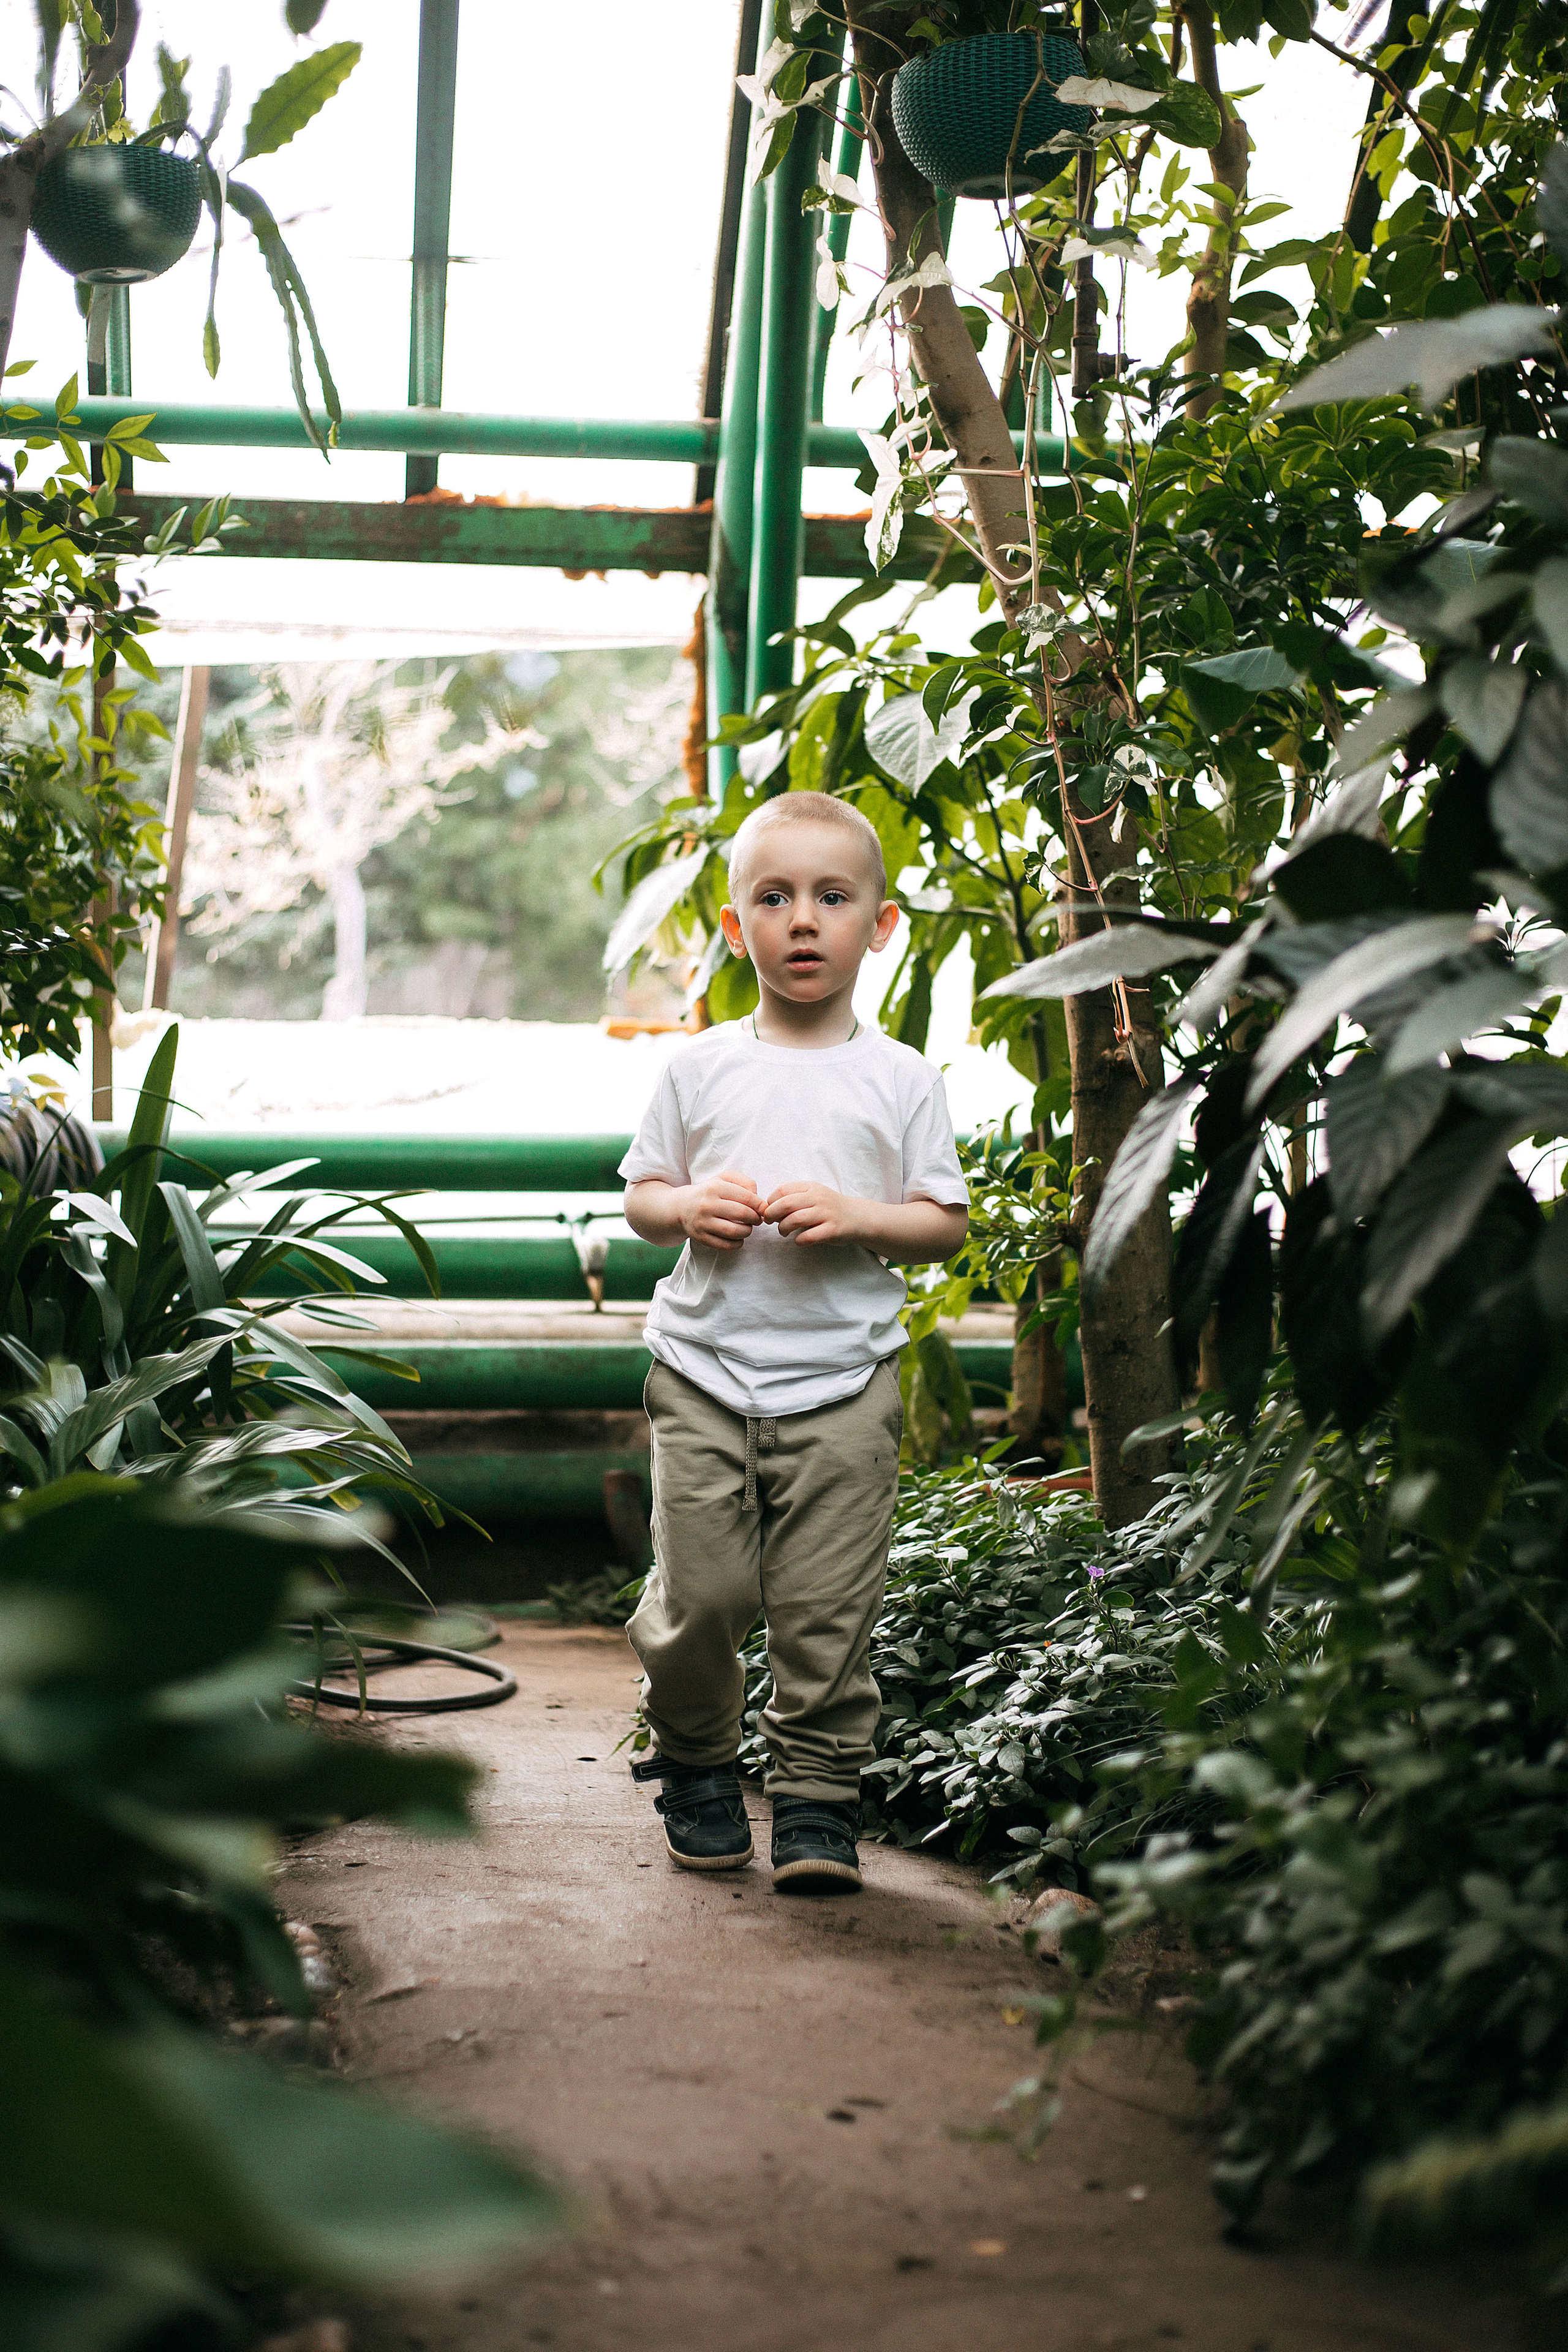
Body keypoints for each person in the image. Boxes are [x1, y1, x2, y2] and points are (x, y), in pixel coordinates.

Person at [619, 790, 970, 1892]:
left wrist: (861, 1217)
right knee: (708, 1593)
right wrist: (685, 1210)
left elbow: (944, 1225)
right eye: (775, 899)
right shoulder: (697, 1067)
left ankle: (817, 1796)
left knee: (829, 1609)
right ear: (737, 929)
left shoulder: (903, 1079)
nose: (803, 921)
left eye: (832, 897)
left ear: (882, 924)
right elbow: (643, 1195)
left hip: (844, 1386)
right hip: (706, 1372)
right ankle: (697, 1762)